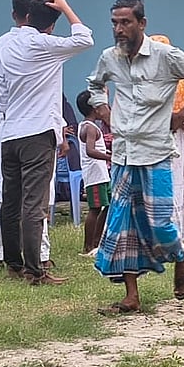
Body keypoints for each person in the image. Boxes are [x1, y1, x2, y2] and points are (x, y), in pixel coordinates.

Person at [88, 0, 184, 315]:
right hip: (122, 154)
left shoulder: (165, 56)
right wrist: (105, 112)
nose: (119, 29)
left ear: (141, 23)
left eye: (126, 22)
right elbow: (94, 86)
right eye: (115, 23)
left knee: (159, 220)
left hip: (156, 151)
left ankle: (180, 256)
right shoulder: (109, 58)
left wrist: (183, 113)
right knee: (122, 225)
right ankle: (131, 296)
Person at [0, 0, 94, 285]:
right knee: (34, 205)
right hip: (37, 133)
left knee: (10, 201)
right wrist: (67, 7)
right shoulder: (44, 44)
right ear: (49, 24)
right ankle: (35, 270)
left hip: (9, 132)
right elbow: (85, 39)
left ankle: (13, 264)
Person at [149, 35, 184, 243]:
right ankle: (172, 231)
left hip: (147, 137)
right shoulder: (177, 79)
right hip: (172, 136)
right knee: (173, 181)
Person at [76, 91, 112, 255]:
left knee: (108, 205)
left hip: (101, 173)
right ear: (94, 108)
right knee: (95, 208)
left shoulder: (87, 125)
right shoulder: (89, 128)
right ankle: (87, 246)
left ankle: (97, 242)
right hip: (94, 174)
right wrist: (110, 157)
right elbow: (90, 151)